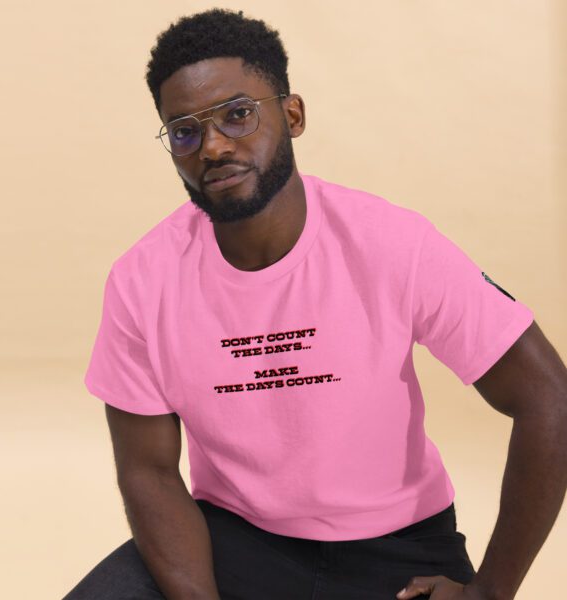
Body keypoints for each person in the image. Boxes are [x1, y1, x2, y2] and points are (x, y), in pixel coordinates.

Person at [64, 8, 567, 600]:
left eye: (238, 114)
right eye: (185, 131)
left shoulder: (392, 244)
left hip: (397, 548)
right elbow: (147, 469)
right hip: (233, 540)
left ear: (292, 114)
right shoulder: (141, 280)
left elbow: (549, 399)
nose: (214, 146)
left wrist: (490, 593)